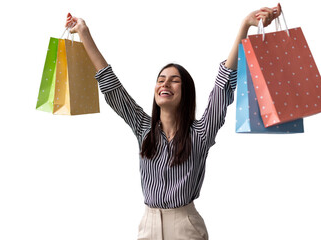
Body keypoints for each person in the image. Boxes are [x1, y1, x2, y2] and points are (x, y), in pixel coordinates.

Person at [65, 4, 281, 240]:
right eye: (161, 80)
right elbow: (111, 84)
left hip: (185, 226)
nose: (165, 84)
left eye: (174, 80)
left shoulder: (200, 133)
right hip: (148, 225)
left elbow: (223, 86)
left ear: (185, 92)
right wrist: (84, 33)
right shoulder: (143, 128)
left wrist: (244, 26)